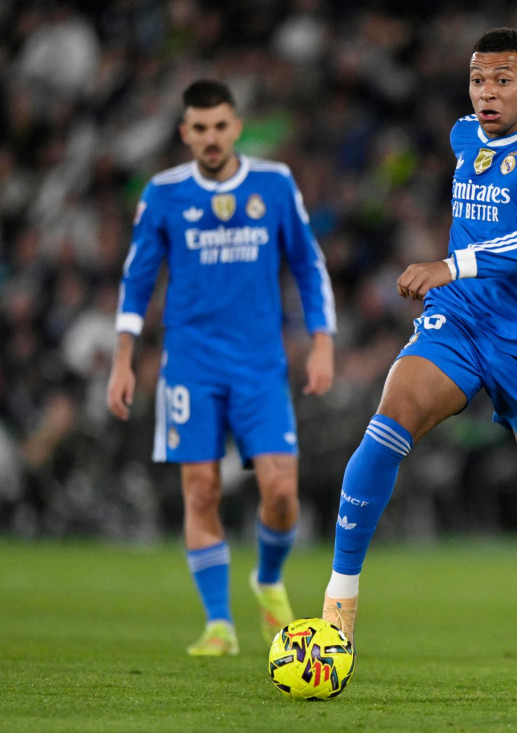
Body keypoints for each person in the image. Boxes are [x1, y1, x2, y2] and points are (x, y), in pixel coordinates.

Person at [320, 27, 517, 689]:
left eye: (502, 79)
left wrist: (453, 261)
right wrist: (456, 277)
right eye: (477, 80)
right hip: (460, 320)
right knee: (389, 420)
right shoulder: (464, 135)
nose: (487, 93)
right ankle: (339, 606)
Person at [107, 80, 336, 656]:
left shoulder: (274, 184)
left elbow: (308, 265)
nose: (211, 138)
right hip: (191, 366)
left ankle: (268, 577)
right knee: (202, 491)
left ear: (236, 127)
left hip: (259, 365)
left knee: (282, 490)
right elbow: (137, 280)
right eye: (199, 129)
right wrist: (123, 360)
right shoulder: (163, 194)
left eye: (220, 126)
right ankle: (219, 625)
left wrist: (322, 342)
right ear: (186, 133)